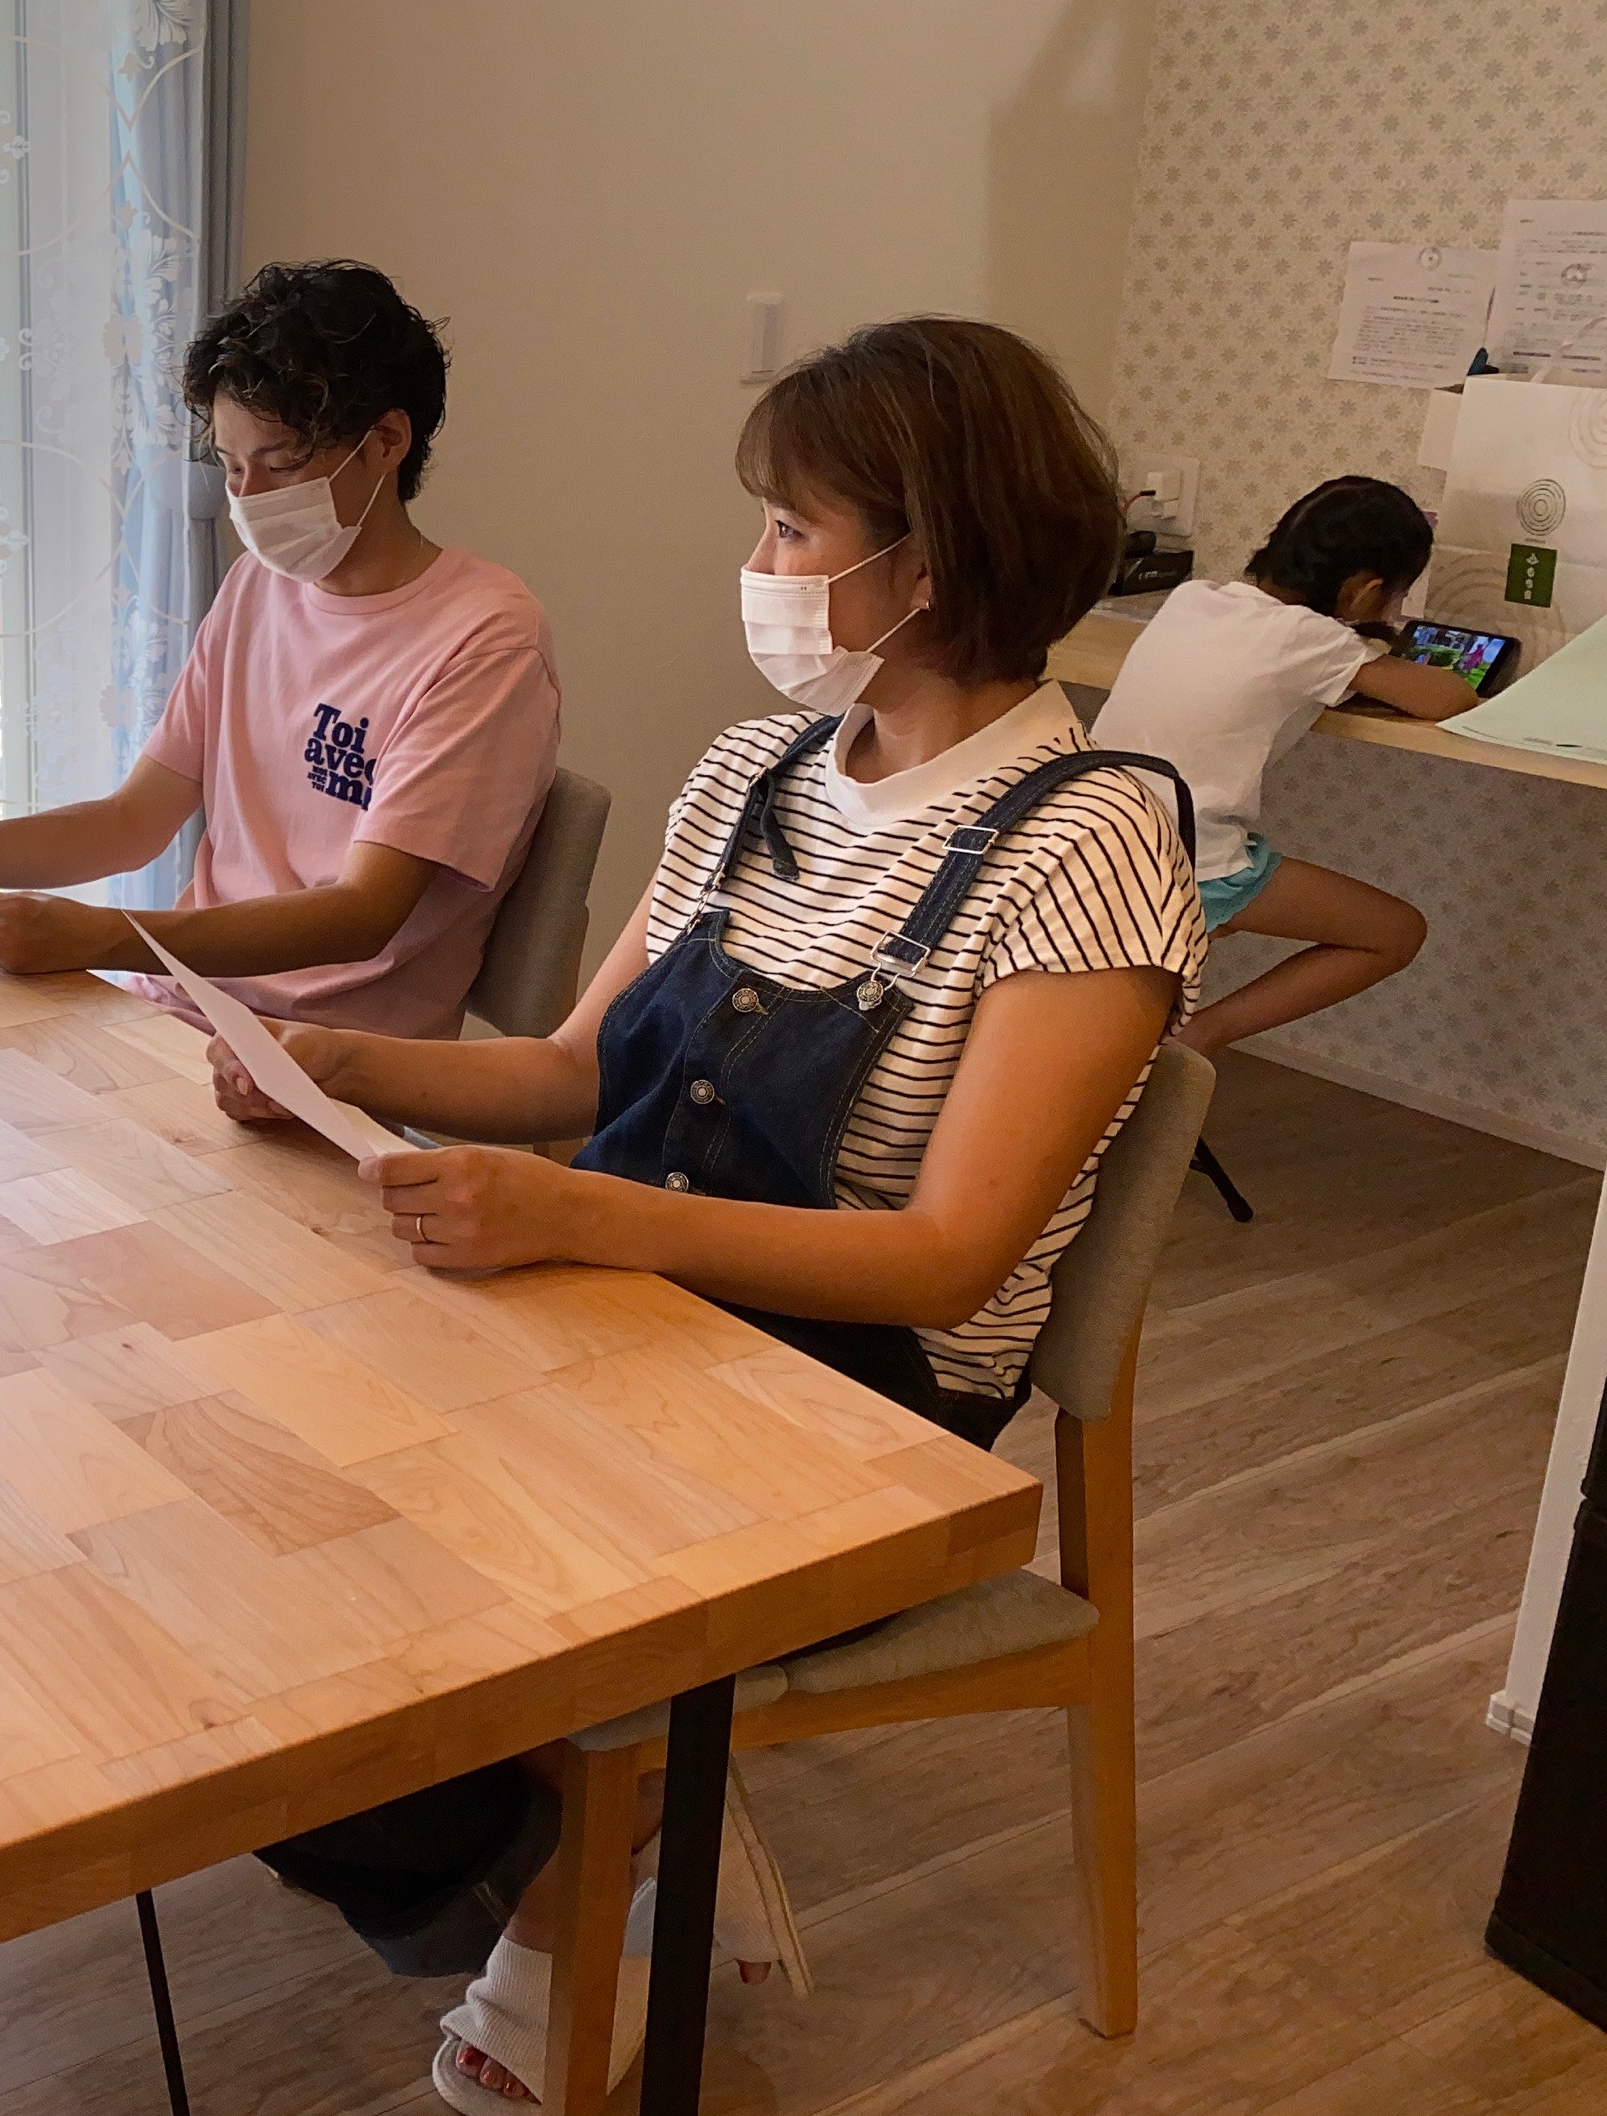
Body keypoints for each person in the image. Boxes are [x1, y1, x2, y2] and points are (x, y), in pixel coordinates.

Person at [216, 318, 1207, 2109]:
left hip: (867, 1406)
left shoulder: (1088, 840)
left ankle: (605, 1844)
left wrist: (573, 1225)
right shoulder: (751, 773)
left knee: (375, 1621)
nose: (754, 569)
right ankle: (603, 1840)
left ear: (926, 557)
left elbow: (947, 1259)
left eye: (788, 530)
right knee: (265, 1519)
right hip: (651, 1310)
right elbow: (576, 1076)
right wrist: (342, 1068)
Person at [0, 259, 561, 1038]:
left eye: (280, 466)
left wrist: (105, 935)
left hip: (330, 1063)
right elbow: (131, 822)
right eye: (232, 468)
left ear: (384, 442)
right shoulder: (257, 588)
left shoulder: (486, 639)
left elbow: (361, 914)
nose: (247, 498)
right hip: (184, 1013)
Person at [1090, 475, 1470, 1059]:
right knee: (1394, 933)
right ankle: (1198, 1037)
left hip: (1091, 836)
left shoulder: (1191, 598)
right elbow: (1450, 699)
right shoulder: (1316, 641)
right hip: (1183, 864)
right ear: (1364, 594)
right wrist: (1369, 649)